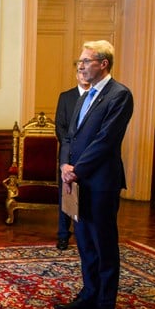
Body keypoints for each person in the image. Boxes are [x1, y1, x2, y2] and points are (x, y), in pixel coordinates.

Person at [54, 40, 134, 309]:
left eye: (86, 61)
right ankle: (88, 295)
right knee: (85, 242)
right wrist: (64, 165)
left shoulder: (119, 95)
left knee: (103, 246)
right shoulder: (83, 95)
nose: (81, 66)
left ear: (103, 64)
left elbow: (106, 140)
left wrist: (77, 170)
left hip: (100, 183)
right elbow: (69, 136)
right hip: (76, 181)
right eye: (81, 61)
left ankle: (104, 308)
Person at [54, 70, 91, 250]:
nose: (84, 75)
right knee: (67, 195)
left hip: (90, 155)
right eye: (80, 72)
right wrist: (71, 147)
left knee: (88, 195)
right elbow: (60, 126)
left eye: (86, 72)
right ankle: (63, 235)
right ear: (76, 75)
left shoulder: (98, 97)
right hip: (68, 155)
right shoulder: (66, 97)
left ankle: (85, 234)